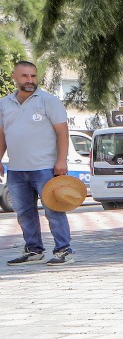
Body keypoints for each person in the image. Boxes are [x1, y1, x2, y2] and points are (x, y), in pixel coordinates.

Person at [1, 60, 73, 266]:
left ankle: (64, 251)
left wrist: (61, 160)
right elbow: (2, 135)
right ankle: (34, 251)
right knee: (24, 213)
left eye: (33, 76)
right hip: (16, 169)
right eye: (24, 76)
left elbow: (62, 132)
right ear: (15, 77)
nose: (30, 80)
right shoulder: (4, 103)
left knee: (54, 210)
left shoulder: (48, 101)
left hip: (45, 168)